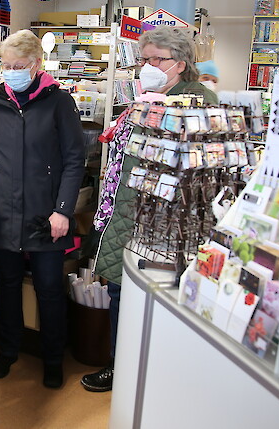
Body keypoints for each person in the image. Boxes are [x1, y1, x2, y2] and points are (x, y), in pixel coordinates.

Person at [81, 26, 218, 393]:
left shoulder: (199, 101)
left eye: (158, 59)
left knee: (158, 298)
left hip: (165, 223)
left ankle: (151, 374)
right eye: (145, 59)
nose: (149, 66)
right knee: (120, 293)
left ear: (181, 63)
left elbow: (204, 167)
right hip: (126, 213)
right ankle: (118, 366)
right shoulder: (145, 97)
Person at [0, 29, 85, 389]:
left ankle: (53, 358)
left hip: (45, 216)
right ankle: (9, 350)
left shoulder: (59, 101)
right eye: (5, 65)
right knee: (6, 285)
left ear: (36, 65)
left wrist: (63, 210)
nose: (11, 72)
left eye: (18, 65)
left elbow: (74, 160)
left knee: (49, 288)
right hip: (3, 213)